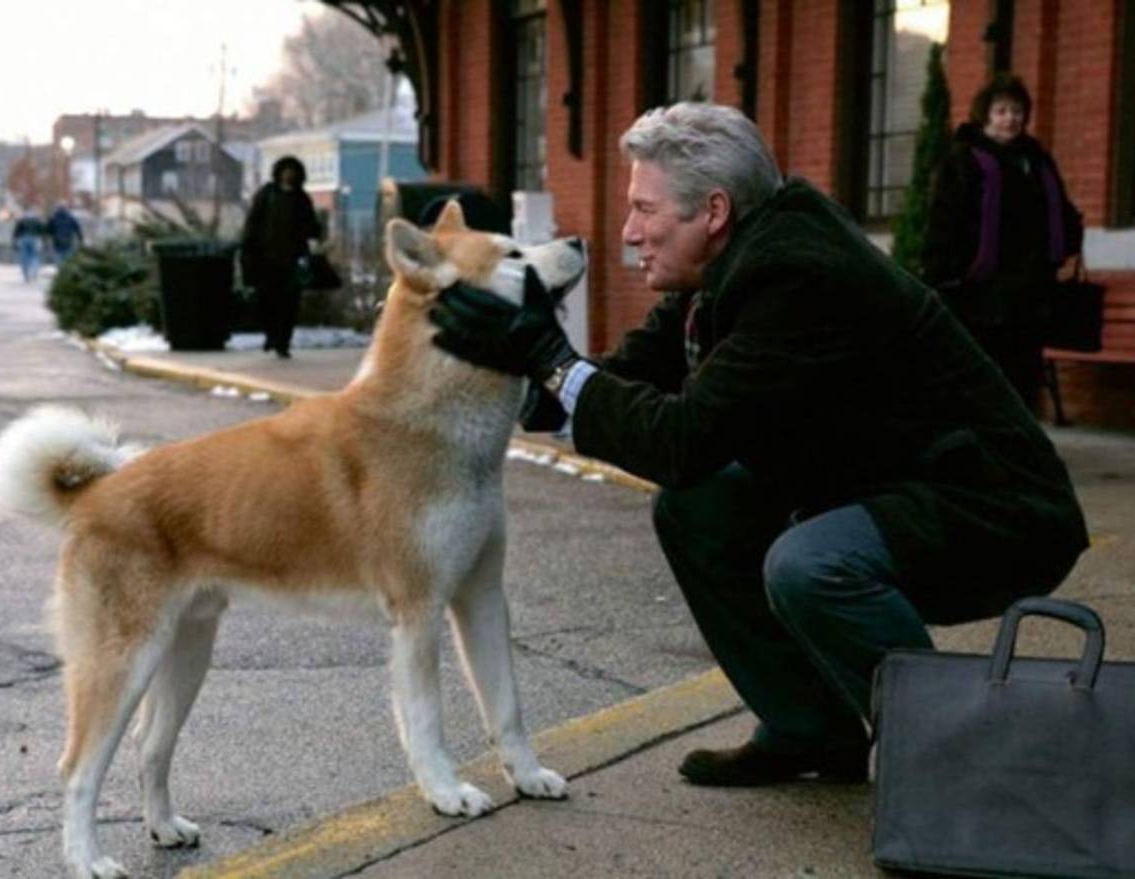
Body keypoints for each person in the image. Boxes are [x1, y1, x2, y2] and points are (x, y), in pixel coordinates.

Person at [428, 102, 1089, 787]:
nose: (629, 233)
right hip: (896, 484)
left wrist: (551, 359)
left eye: (644, 210)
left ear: (712, 211)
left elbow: (681, 438)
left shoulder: (799, 277)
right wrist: (521, 371)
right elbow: (626, 376)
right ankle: (811, 727)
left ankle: (957, 766)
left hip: (995, 508)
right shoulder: (731, 260)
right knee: (697, 506)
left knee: (809, 565)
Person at [924, 73, 1083, 412]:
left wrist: (1069, 240)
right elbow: (944, 221)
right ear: (986, 116)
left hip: (1032, 293)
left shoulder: (1037, 161)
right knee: (985, 374)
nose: (1010, 118)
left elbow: (1063, 212)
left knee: (1025, 375)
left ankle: (1022, 443)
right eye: (1001, 111)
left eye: (1017, 111)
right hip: (981, 296)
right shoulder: (965, 161)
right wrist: (949, 273)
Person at [240, 155, 321, 358]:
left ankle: (283, 342)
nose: (288, 174)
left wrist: (312, 237)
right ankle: (270, 335)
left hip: (292, 260)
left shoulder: (301, 198)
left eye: (292, 171)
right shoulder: (266, 194)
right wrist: (248, 248)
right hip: (265, 259)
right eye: (285, 170)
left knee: (289, 304)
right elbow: (253, 223)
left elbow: (312, 226)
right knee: (266, 301)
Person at [11, 209, 46, 282]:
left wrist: (15, 242)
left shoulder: (22, 221)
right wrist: (43, 241)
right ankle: (34, 270)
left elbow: (16, 232)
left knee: (24, 257)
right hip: (35, 239)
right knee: (35, 256)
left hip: (24, 239)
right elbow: (43, 232)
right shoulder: (37, 221)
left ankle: (26, 274)